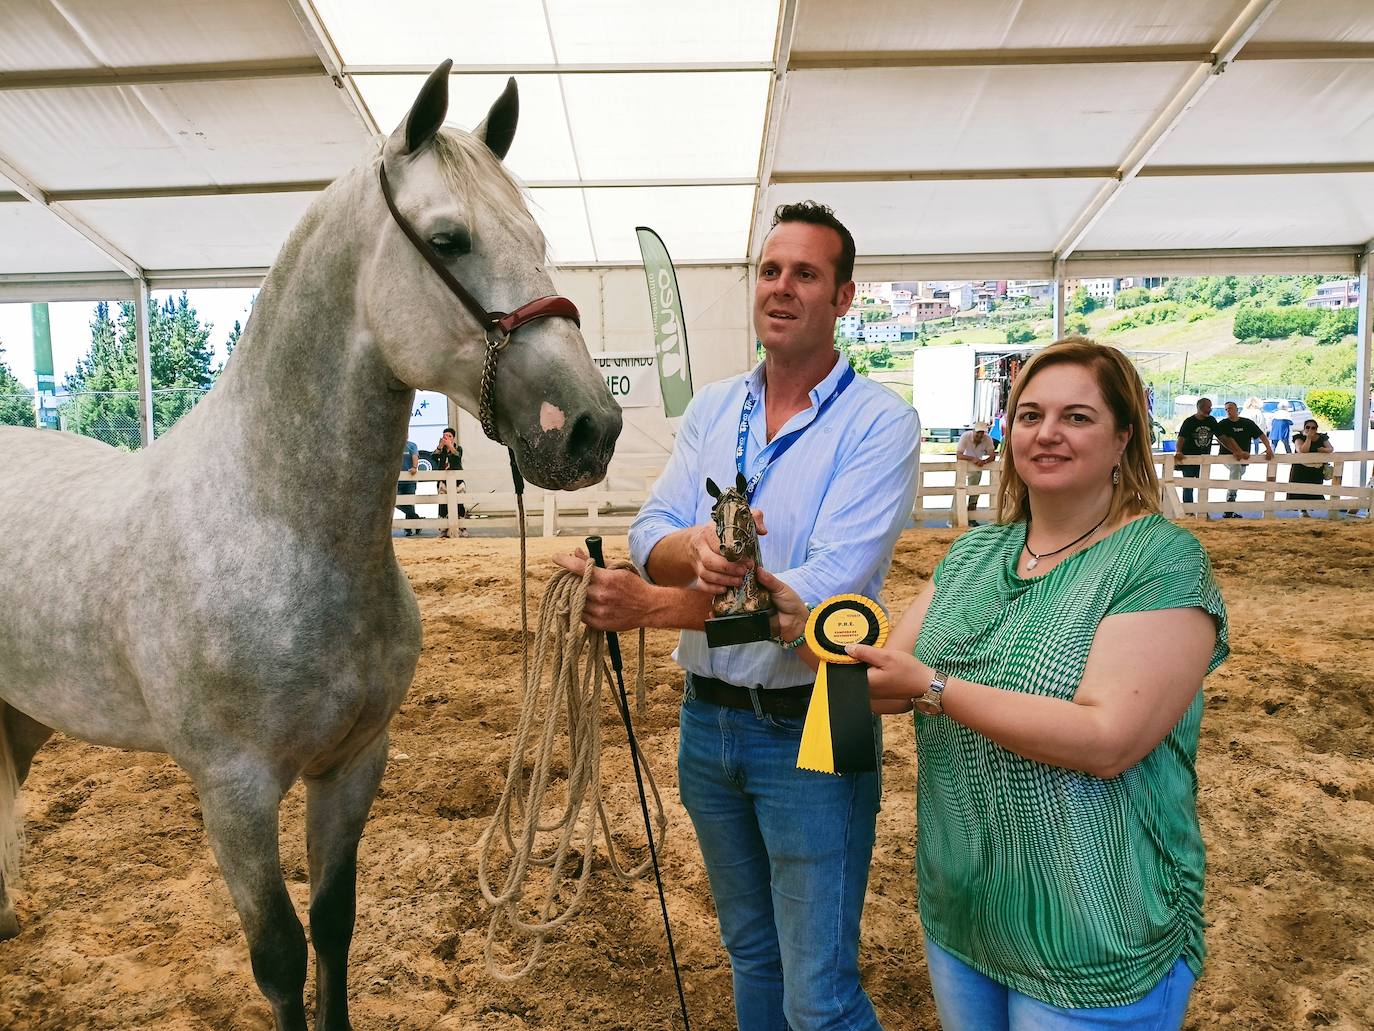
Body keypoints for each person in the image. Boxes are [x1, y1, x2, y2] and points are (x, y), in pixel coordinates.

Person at [767, 338, 1229, 1030]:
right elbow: (884, 684)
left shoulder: (1159, 560)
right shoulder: (974, 554)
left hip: (1094, 935)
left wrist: (936, 688)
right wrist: (805, 631)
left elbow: (1108, 739)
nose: (1047, 433)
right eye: (1030, 415)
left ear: (1123, 437)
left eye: (1076, 417)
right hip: (964, 916)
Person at [556, 201, 920, 1030]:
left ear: (844, 297)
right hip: (710, 718)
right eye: (770, 270)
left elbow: (819, 594)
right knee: (751, 953)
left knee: (819, 993)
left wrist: (653, 604)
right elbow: (649, 530)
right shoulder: (715, 408)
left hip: (821, 713)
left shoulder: (881, 423)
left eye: (806, 274)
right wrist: (690, 547)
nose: (781, 287)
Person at [1213, 401, 1272, 518]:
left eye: (1230, 408)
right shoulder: (1223, 424)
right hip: (1227, 456)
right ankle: (1231, 499)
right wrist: (1237, 451)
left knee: (1238, 473)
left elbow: (1261, 435)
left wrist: (1269, 448)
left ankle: (1230, 507)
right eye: (1226, 409)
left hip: (1244, 457)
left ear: (1237, 410)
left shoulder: (1247, 423)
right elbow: (1224, 439)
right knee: (1235, 469)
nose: (1228, 411)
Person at [1174, 397, 1218, 506]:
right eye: (1208, 407)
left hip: (1204, 459)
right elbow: (1181, 438)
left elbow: (1221, 436)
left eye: (1210, 407)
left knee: (1203, 485)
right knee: (1188, 485)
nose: (1210, 409)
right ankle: (1189, 510)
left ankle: (1202, 509)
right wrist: (1178, 451)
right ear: (1200, 407)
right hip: (1189, 458)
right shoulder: (1189, 421)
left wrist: (1234, 450)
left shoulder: (1211, 421)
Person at [1288, 418, 1333, 516]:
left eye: (1313, 428)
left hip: (1316, 469)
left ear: (1316, 429)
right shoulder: (1299, 437)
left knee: (1314, 490)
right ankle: (1302, 510)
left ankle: (1312, 509)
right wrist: (1308, 438)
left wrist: (1323, 450)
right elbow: (1302, 451)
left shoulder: (1322, 437)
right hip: (1301, 469)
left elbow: (1330, 449)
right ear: (1304, 428)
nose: (1310, 429)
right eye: (1307, 427)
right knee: (1300, 490)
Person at [955, 421, 997, 522]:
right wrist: (972, 459)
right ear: (973, 430)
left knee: (974, 490)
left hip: (977, 466)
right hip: (964, 464)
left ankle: (971, 516)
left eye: (982, 433)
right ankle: (956, 517)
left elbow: (992, 455)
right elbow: (959, 455)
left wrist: (984, 461)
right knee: (959, 489)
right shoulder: (966, 436)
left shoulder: (987, 439)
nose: (980, 435)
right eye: (978, 432)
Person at [430, 427, 467, 538]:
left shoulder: (458, 448)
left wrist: (450, 446)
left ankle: (462, 528)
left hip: (458, 481)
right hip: (443, 481)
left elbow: (457, 457)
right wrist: (440, 446)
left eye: (449, 436)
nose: (446, 438)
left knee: (460, 504)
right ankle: (443, 529)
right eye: (445, 436)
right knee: (442, 505)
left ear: (453, 438)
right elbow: (433, 458)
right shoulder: (441, 449)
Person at [396, 440, 420, 535]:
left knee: (409, 503)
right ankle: (417, 520)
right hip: (396, 480)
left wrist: (414, 467)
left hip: (410, 480)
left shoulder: (411, 445)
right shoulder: (394, 444)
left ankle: (408, 529)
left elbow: (415, 456)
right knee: (395, 502)